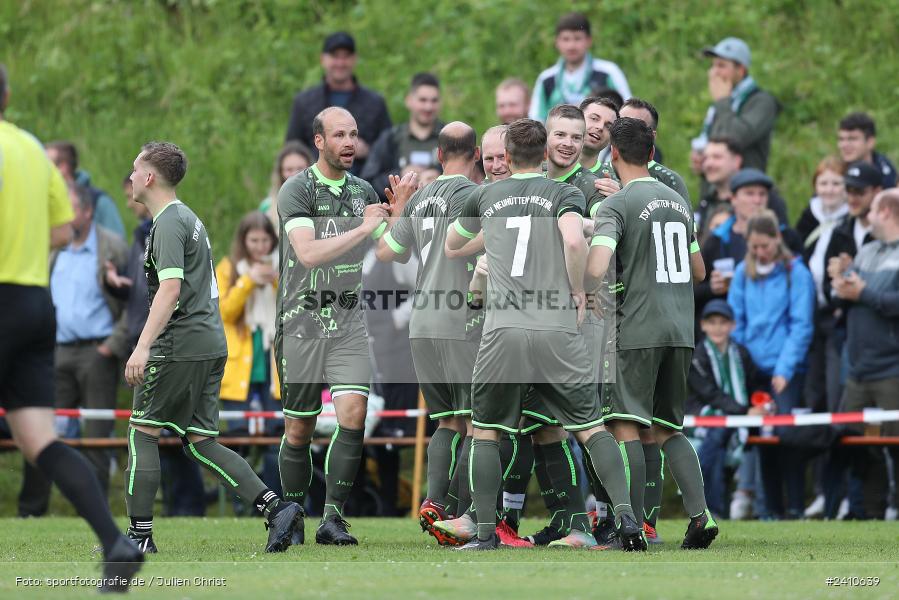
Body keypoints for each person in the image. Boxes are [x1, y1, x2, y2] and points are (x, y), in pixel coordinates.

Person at [437, 118, 642, 552]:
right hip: (554, 327)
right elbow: (572, 241)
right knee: (590, 427)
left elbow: (452, 244)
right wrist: (578, 290)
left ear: (507, 158)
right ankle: (627, 521)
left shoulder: (485, 194)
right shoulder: (562, 192)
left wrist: (490, 242)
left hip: (504, 329)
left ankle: (487, 533)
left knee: (488, 431)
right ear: (545, 153)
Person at [0, 63, 142, 591]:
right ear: (9, 96)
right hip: (36, 303)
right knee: (41, 438)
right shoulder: (34, 151)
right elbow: (62, 229)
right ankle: (116, 544)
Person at [123, 141, 302, 554]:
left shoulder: (167, 223)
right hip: (210, 339)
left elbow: (170, 290)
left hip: (179, 341)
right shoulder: (189, 218)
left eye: (135, 170)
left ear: (149, 177)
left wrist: (142, 346)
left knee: (142, 433)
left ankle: (139, 537)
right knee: (202, 440)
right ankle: (276, 508)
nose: (131, 178)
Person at [587, 117, 715, 549]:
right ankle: (701, 516)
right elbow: (699, 270)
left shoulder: (616, 204)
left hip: (638, 326)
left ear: (614, 155)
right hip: (681, 328)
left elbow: (598, 264)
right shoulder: (677, 201)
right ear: (653, 154)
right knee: (667, 428)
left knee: (625, 423)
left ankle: (634, 524)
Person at [276, 107, 388, 545]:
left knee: (354, 415)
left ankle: (333, 518)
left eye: (354, 135)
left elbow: (391, 253)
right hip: (300, 323)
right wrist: (364, 229)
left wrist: (398, 217)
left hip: (347, 323)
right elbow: (308, 254)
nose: (349, 143)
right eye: (339, 134)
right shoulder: (297, 189)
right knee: (299, 428)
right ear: (318, 141)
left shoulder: (363, 190)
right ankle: (289, 515)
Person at [375, 122, 483, 540]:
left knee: (446, 421)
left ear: (438, 155)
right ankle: (464, 513)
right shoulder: (475, 195)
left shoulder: (420, 199)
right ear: (475, 155)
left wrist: (398, 211)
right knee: (476, 422)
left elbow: (387, 251)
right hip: (459, 318)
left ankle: (435, 501)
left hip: (421, 322)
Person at [728, 210, 815, 519]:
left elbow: (801, 325)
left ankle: (794, 506)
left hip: (784, 372)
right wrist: (744, 367)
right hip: (755, 372)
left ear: (777, 239)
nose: (759, 252)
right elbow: (735, 321)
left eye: (764, 246)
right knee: (762, 442)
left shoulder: (796, 274)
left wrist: (785, 369)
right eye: (754, 247)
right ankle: (770, 509)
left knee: (787, 438)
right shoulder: (742, 273)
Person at [831, 189, 899, 518]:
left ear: (886, 212)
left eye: (873, 209)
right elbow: (847, 297)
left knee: (895, 444)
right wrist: (839, 283)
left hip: (891, 370)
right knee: (856, 442)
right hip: (858, 371)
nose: (867, 215)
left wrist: (864, 292)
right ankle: (869, 509)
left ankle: (895, 506)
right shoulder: (867, 250)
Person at [216, 211, 283, 499]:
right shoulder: (229, 268)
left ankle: (277, 499)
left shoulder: (284, 266)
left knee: (276, 437)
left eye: (265, 240)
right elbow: (225, 312)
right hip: (237, 368)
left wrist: (274, 280)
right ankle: (240, 501)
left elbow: (293, 308)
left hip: (273, 367)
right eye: (253, 240)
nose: (259, 246)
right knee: (235, 439)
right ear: (243, 241)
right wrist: (247, 282)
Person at [688, 300, 769, 519]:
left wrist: (763, 402)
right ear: (703, 325)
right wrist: (745, 412)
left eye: (723, 322)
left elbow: (758, 381)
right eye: (712, 322)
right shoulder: (695, 356)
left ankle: (718, 509)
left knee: (723, 446)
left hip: (735, 418)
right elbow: (709, 394)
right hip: (702, 417)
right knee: (717, 438)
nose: (717, 328)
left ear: (732, 326)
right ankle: (711, 506)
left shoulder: (741, 353)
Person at [696, 168, 801, 321]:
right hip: (727, 324)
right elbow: (690, 290)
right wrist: (712, 288)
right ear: (733, 198)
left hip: (777, 322)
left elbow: (801, 285)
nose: (757, 200)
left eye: (762, 194)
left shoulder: (786, 237)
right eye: (750, 193)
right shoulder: (716, 240)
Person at [284, 32, 391, 175]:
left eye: (346, 57)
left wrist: (368, 151)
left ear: (354, 59)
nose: (340, 63)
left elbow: (390, 150)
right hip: (315, 186)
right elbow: (292, 149)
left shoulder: (375, 103)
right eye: (335, 56)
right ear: (323, 59)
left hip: (364, 184)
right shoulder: (304, 103)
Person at [691, 37, 779, 197]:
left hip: (746, 194)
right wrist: (702, 158)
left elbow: (735, 137)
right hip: (714, 194)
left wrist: (723, 102)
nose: (714, 72)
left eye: (722, 65)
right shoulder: (722, 103)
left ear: (741, 70)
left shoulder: (761, 101)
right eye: (713, 65)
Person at [795, 157, 848, 414]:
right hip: (809, 309)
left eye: (836, 183)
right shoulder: (809, 217)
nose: (829, 189)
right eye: (823, 183)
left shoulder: (850, 222)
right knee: (812, 382)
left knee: (835, 380)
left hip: (836, 311)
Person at [529, 12, 631, 122]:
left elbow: (628, 111)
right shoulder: (546, 79)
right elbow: (536, 119)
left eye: (577, 39)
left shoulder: (609, 72)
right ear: (557, 42)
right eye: (566, 39)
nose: (571, 46)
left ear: (588, 41)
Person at [592, 98, 690, 206]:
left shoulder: (670, 180)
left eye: (636, 127)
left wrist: (623, 200)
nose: (626, 131)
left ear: (652, 137)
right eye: (621, 124)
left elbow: (686, 222)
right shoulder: (595, 176)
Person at [362, 73, 444, 201]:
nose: (428, 107)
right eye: (423, 100)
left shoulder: (450, 137)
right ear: (408, 100)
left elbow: (469, 179)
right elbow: (367, 183)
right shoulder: (390, 138)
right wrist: (399, 175)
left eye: (434, 101)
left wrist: (441, 178)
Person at [695, 138, 789, 234]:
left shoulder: (768, 200)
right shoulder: (705, 202)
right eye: (705, 158)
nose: (708, 164)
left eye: (717, 157)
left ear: (737, 161)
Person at [46, 140, 126, 238]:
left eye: (46, 166)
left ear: (63, 167)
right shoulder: (47, 201)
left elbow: (118, 245)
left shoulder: (99, 201)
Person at [260, 141, 314, 231]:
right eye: (289, 169)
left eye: (300, 168)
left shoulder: (323, 201)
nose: (295, 174)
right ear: (280, 172)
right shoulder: (267, 207)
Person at [837, 112, 897, 189]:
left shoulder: (885, 173)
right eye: (841, 139)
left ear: (870, 142)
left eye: (852, 139)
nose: (844, 145)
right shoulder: (834, 170)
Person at [578, 95, 618, 174]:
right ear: (577, 118)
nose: (600, 127)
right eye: (594, 118)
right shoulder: (548, 169)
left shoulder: (613, 182)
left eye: (608, 126)